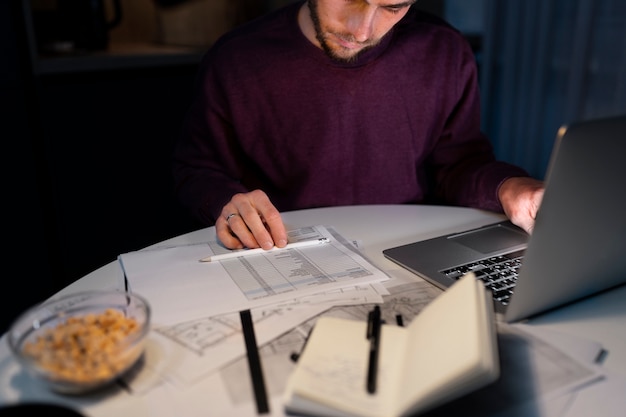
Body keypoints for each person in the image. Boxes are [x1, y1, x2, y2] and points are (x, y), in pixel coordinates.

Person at [172, 0, 544, 251]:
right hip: (284, 255)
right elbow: (199, 170)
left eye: (393, 6)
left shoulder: (443, 51)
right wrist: (227, 203)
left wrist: (512, 190)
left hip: (407, 251)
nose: (362, 30)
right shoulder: (237, 58)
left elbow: (460, 165)